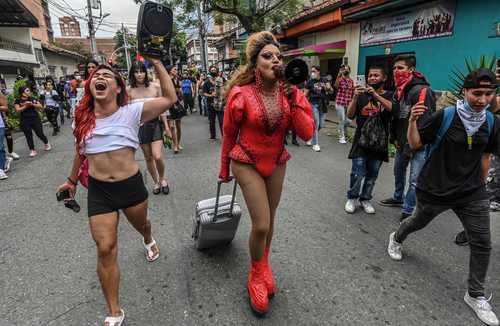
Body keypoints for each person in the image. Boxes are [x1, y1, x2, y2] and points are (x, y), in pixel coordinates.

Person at [56, 58, 176, 326]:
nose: (99, 77)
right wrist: (71, 181)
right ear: (90, 86)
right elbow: (80, 151)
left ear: (118, 88)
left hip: (130, 186)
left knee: (142, 224)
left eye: (107, 75)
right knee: (105, 248)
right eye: (96, 75)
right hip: (100, 191)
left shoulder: (132, 111)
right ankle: (114, 311)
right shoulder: (82, 118)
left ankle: (148, 238)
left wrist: (156, 62)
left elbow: (169, 98)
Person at [387, 68, 500, 326]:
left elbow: (486, 155)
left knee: (482, 242)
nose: (482, 99)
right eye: (477, 93)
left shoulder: (492, 122)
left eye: (488, 94)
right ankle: (396, 237)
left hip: (471, 191)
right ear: (465, 92)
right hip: (437, 187)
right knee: (416, 222)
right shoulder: (446, 116)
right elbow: (415, 145)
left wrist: (479, 187)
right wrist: (413, 122)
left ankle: (475, 294)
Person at [219, 31, 314, 316]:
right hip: (246, 160)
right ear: (255, 64)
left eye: (278, 57)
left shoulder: (289, 94)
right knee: (261, 224)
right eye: (267, 56)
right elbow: (228, 134)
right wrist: (224, 168)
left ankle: (263, 265)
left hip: (276, 161)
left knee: (270, 221)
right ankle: (255, 273)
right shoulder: (240, 94)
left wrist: (294, 93)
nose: (275, 61)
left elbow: (307, 133)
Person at [379, 54, 436, 221]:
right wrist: (395, 139)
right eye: (395, 68)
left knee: (415, 180)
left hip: (418, 145)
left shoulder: (422, 91)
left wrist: (415, 145)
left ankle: (409, 210)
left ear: (411, 70)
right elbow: (397, 116)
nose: (396, 71)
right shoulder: (400, 90)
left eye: (400, 68)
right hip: (402, 143)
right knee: (398, 171)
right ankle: (398, 197)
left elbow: (426, 122)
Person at [344, 66, 393, 214]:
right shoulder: (361, 95)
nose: (372, 78)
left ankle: (365, 199)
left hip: (379, 143)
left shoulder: (390, 95)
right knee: (357, 173)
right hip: (361, 141)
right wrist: (355, 97)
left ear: (384, 78)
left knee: (372, 175)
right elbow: (350, 115)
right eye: (370, 76)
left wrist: (376, 96)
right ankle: (352, 198)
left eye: (376, 75)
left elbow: (392, 109)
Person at [128, 60, 171, 195]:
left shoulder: (155, 87)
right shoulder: (128, 90)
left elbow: (162, 108)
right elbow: (127, 112)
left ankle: (163, 178)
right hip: (140, 127)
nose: (139, 74)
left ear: (146, 73)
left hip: (155, 124)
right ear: (132, 74)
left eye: (141, 71)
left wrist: (167, 127)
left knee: (157, 156)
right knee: (148, 158)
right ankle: (156, 182)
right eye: (136, 72)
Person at [14, 86, 51, 157]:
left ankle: (46, 142)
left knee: (39, 133)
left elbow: (40, 106)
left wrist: (32, 104)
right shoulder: (18, 101)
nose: (29, 92)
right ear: (23, 93)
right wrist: (26, 106)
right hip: (24, 120)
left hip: (35, 118)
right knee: (28, 135)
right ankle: (32, 150)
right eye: (27, 91)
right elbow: (18, 110)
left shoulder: (32, 99)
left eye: (29, 90)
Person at [304, 66, 332, 152]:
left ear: (318, 72)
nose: (312, 73)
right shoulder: (309, 82)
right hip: (313, 104)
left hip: (323, 104)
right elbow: (305, 94)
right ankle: (315, 144)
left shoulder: (324, 80)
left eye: (314, 71)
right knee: (316, 123)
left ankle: (311, 137)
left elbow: (331, 90)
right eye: (311, 71)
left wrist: (327, 87)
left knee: (321, 125)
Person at [334, 64, 354, 144]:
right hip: (340, 102)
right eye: (344, 69)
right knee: (342, 119)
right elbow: (336, 86)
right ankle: (342, 137)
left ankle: (340, 128)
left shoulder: (351, 81)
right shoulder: (340, 79)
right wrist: (339, 75)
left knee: (348, 120)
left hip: (348, 103)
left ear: (349, 70)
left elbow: (352, 91)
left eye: (347, 69)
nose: (345, 70)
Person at [166, 65, 184, 153]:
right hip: (169, 104)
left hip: (177, 103)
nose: (176, 71)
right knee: (172, 127)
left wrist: (180, 91)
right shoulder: (166, 80)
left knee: (178, 126)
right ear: (169, 71)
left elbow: (180, 92)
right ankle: (175, 145)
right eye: (175, 69)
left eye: (177, 69)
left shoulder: (177, 80)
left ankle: (178, 143)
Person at [204, 66, 224, 140]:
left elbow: (227, 88)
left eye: (215, 70)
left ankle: (224, 136)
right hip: (211, 104)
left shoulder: (221, 80)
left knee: (221, 121)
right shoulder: (207, 82)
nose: (213, 71)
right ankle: (213, 136)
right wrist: (210, 95)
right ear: (210, 71)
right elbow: (204, 93)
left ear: (217, 71)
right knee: (212, 121)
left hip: (220, 104)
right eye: (212, 70)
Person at [0, 92, 20, 162]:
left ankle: (11, 152)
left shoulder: (0, 94)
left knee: (8, 137)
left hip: (3, 119)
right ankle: (4, 157)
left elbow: (6, 108)